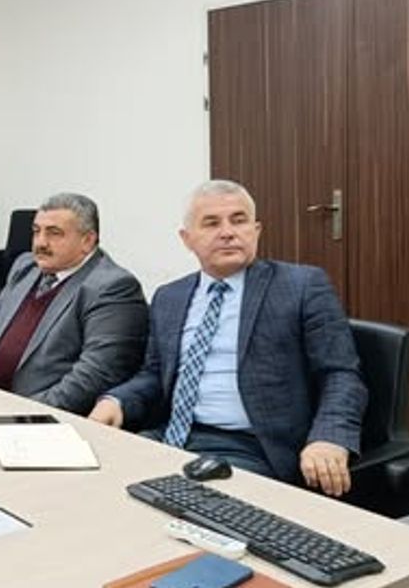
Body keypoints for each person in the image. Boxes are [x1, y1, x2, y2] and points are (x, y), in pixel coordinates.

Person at [88, 180, 366, 496]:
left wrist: (329, 437)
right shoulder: (169, 297)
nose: (228, 232)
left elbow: (340, 374)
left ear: (256, 230)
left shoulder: (301, 286)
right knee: (95, 481)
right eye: (211, 223)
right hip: (172, 435)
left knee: (181, 503)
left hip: (252, 447)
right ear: (186, 239)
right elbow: (153, 374)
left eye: (239, 220)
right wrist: (116, 401)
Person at [0, 193, 148, 414]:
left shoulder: (112, 287)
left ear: (87, 241)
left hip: (42, 418)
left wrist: (20, 414)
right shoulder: (25, 267)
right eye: (36, 231)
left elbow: (93, 376)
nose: (40, 243)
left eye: (54, 233)